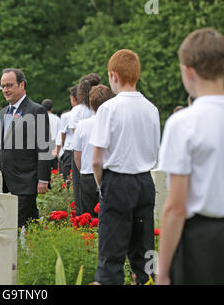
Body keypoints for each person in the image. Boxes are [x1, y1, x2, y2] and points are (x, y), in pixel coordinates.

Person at [156, 28, 224, 285]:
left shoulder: (183, 123)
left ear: (188, 71)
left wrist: (162, 271)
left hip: (202, 241)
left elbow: (175, 207)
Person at [91, 49, 160, 285]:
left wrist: (102, 186)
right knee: (144, 252)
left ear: (113, 76)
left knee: (111, 254)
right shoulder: (152, 109)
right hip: (144, 181)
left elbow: (96, 159)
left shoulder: (109, 109)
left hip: (117, 181)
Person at [0, 68, 52, 228]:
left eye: (9, 85)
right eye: (3, 86)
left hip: (26, 179)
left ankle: (21, 252)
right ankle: (35, 248)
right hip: (8, 181)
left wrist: (43, 178)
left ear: (22, 85)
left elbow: (44, 147)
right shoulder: (2, 113)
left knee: (16, 226)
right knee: (30, 223)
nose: (5, 90)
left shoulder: (36, 110)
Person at [73, 84, 115, 217]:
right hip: (110, 175)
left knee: (88, 218)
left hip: (87, 174)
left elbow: (77, 156)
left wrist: (83, 170)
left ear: (91, 104)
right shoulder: (113, 123)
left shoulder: (82, 125)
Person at [68, 74, 99, 214]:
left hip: (82, 155)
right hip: (100, 154)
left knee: (82, 195)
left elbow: (77, 140)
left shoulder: (77, 111)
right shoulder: (102, 108)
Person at [56, 85, 78, 184]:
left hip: (69, 148)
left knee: (67, 176)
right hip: (83, 148)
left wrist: (62, 147)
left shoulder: (67, 115)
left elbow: (63, 134)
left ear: (73, 99)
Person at [41, 99, 60, 171]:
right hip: (54, 145)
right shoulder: (57, 119)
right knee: (55, 169)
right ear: (52, 108)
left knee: (44, 169)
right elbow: (59, 134)